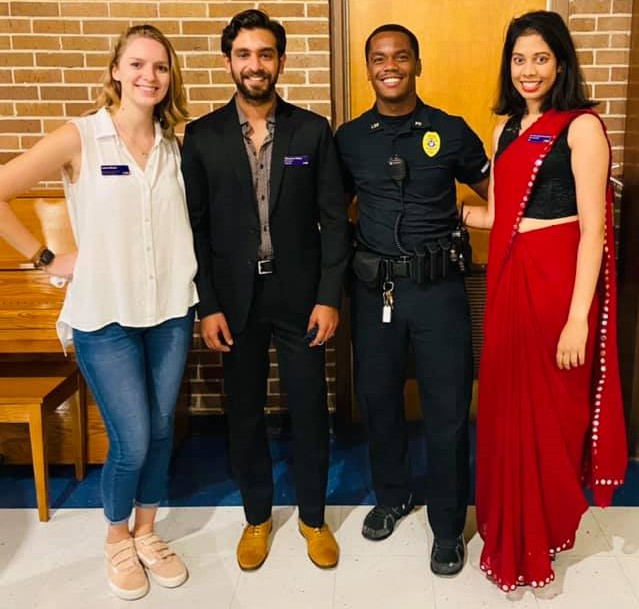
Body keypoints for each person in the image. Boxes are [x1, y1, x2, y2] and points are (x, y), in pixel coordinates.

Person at [0, 25, 198, 600]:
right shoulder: (81, 137)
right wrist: (43, 257)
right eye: (136, 64)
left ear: (169, 77)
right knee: (132, 438)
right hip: (103, 316)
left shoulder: (172, 145)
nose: (148, 76)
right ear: (115, 70)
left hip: (168, 311)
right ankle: (116, 538)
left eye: (160, 67)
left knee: (160, 432)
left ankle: (147, 533)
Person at [464, 10, 628, 591]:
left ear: (560, 62)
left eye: (540, 58)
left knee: (553, 414)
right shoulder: (504, 128)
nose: (528, 71)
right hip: (510, 281)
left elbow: (593, 228)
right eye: (518, 59)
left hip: (559, 286)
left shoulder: (580, 126)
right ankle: (510, 533)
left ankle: (545, 534)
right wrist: (449, 211)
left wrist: (579, 318)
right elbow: (500, 215)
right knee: (506, 411)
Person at [181, 9, 350, 571]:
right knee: (245, 413)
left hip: (300, 297)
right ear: (229, 60)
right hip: (234, 300)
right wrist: (208, 304)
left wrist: (329, 296)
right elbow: (196, 228)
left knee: (309, 410)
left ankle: (312, 517)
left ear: (280, 60)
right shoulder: (202, 137)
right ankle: (257, 517)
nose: (256, 65)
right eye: (245, 54)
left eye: (266, 54)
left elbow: (333, 219)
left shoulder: (311, 130)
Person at [335, 24, 489, 576]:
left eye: (401, 56)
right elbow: (334, 215)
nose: (390, 65)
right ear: (369, 67)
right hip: (376, 291)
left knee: (447, 412)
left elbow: (498, 189)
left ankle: (448, 526)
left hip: (439, 292)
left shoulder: (449, 131)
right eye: (379, 58)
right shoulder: (350, 139)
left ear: (417, 65)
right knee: (378, 400)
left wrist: (482, 216)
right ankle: (393, 495)